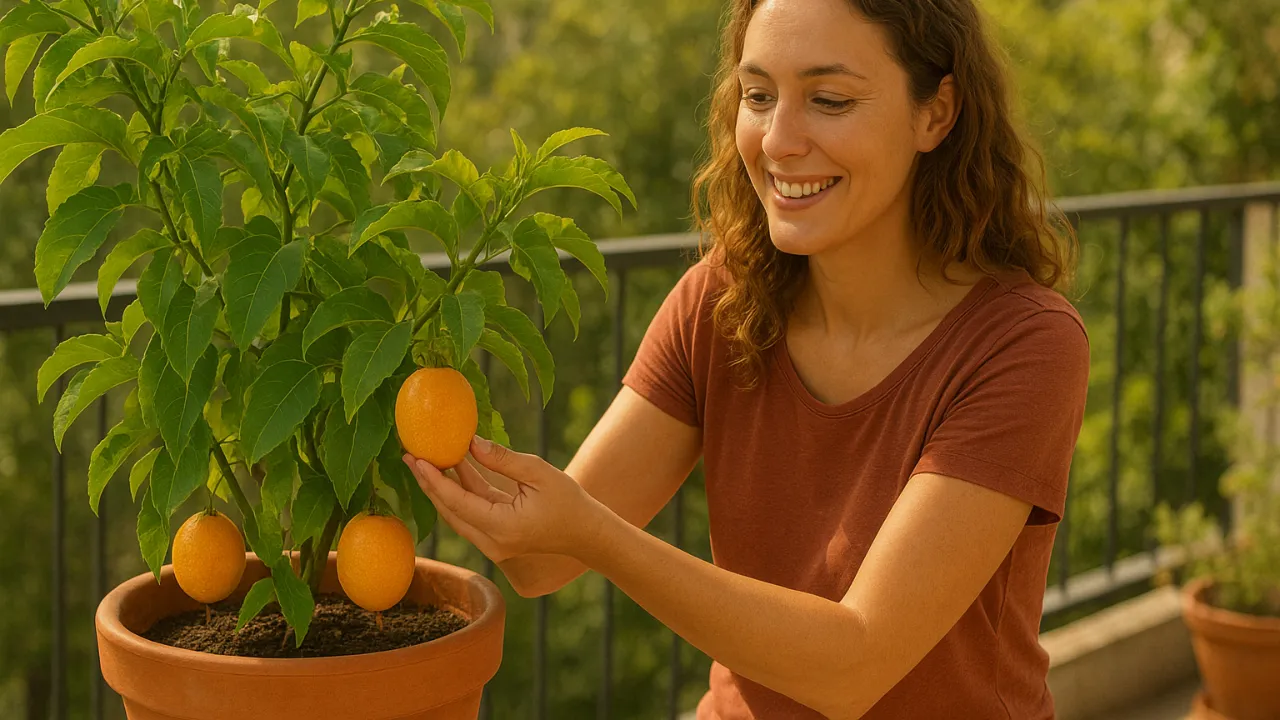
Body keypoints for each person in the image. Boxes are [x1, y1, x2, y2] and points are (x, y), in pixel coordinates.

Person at [403, 0, 1089, 717]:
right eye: (758, 97)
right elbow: (541, 558)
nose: (778, 140)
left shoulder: (1024, 345)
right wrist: (399, 391)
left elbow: (852, 667)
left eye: (828, 100)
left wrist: (593, 533)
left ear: (935, 113)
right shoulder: (722, 300)